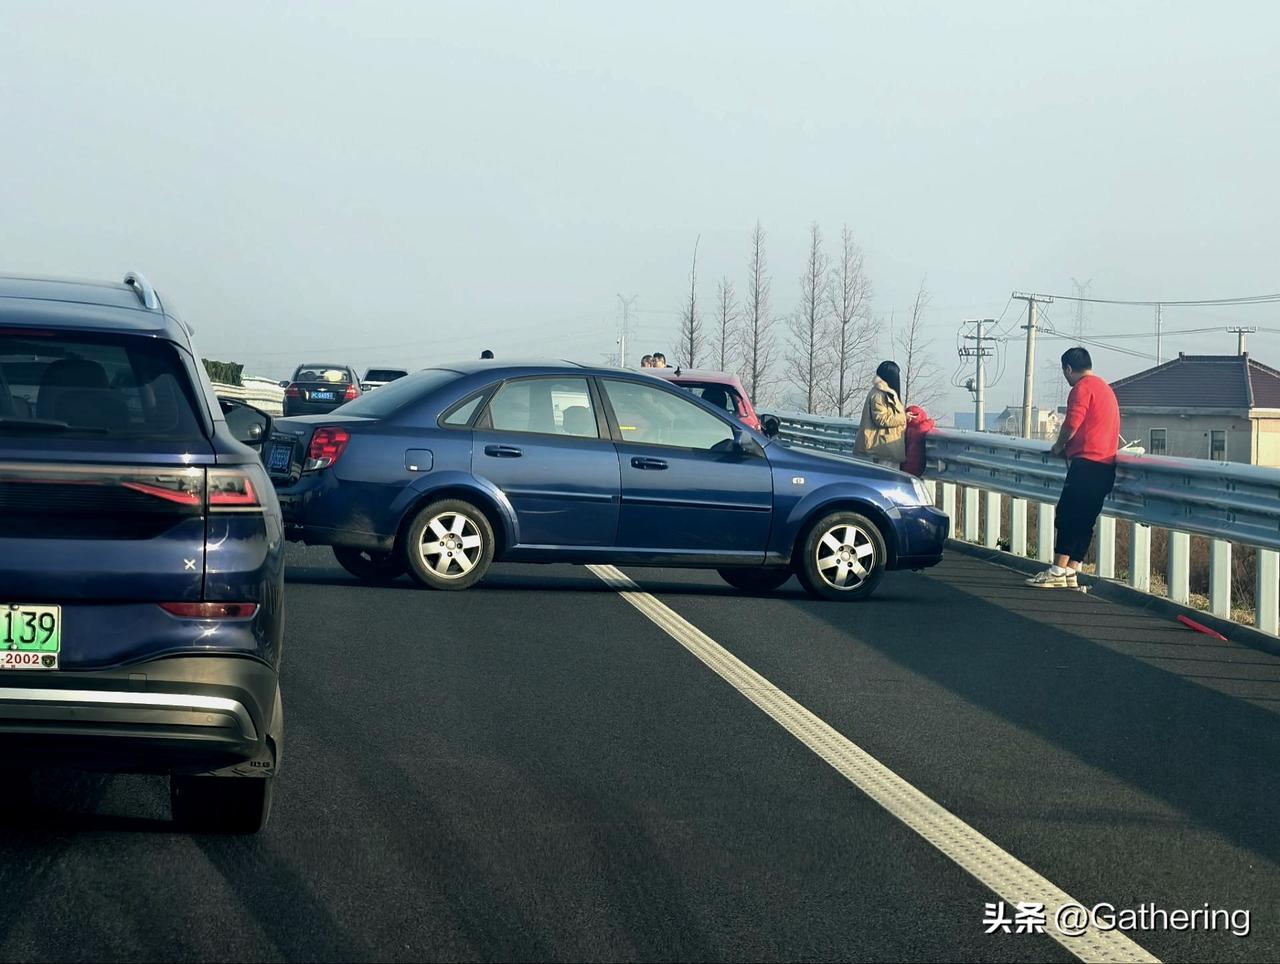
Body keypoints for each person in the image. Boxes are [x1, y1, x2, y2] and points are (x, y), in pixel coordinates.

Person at [1026, 347, 1121, 589]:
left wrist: (1059, 446)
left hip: (1086, 464)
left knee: (1067, 515)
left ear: (1068, 368)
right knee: (1085, 518)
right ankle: (1071, 570)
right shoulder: (1104, 388)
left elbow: (1072, 422)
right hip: (1106, 465)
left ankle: (1057, 570)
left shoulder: (1082, 388)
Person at [854, 360, 911, 465]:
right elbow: (881, 419)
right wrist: (903, 418)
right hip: (882, 448)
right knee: (887, 474)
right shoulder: (879, 395)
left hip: (883, 447)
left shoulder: (885, 392)